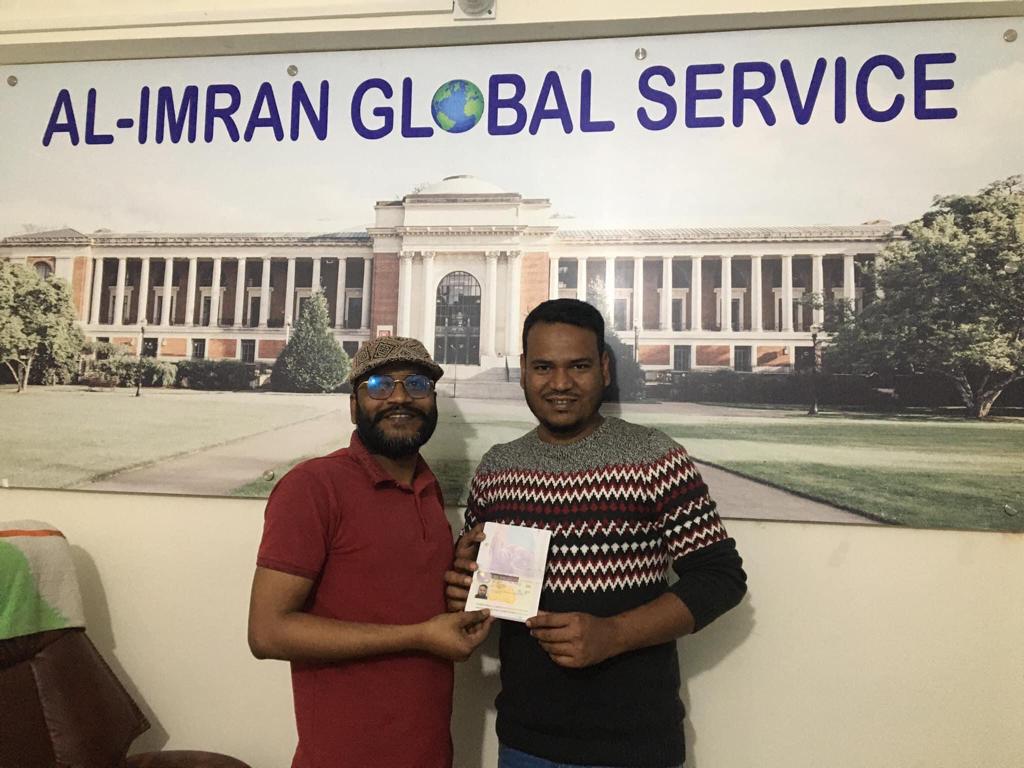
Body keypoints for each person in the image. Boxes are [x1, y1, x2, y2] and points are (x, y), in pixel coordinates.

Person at [446, 299, 747, 768]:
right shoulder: (497, 468)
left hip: (635, 746)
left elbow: (721, 578)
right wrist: (464, 586)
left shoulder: (653, 457)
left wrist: (614, 634)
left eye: (579, 366)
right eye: (543, 367)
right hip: (524, 742)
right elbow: (484, 596)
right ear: (523, 371)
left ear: (604, 369)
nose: (560, 383)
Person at [249, 335, 493, 768]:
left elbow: (400, 596)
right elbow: (267, 633)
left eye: (417, 384)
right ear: (353, 405)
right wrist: (419, 636)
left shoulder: (428, 489)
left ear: (433, 401)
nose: (400, 397)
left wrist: (461, 578)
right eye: (379, 385)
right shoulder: (313, 487)